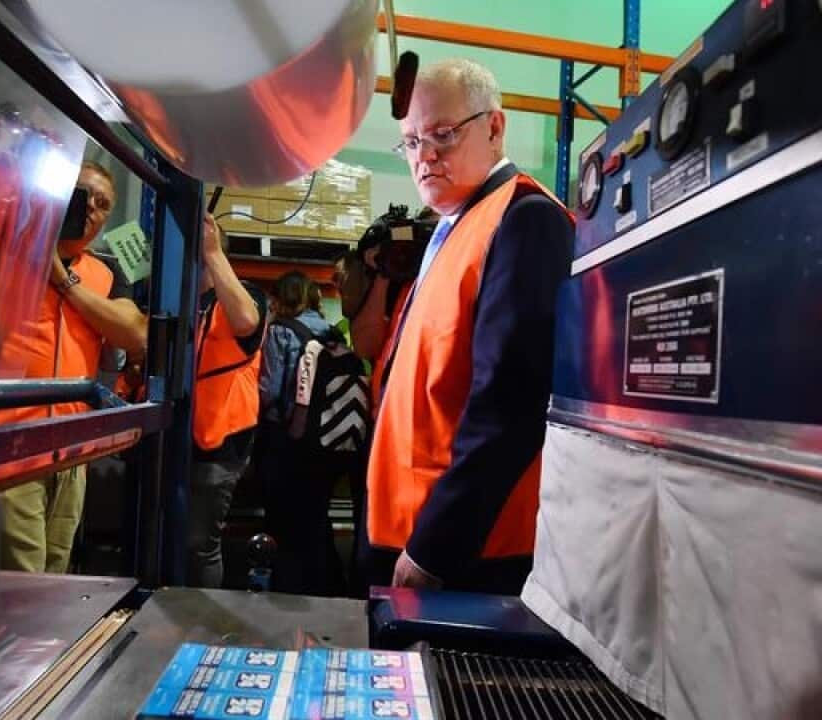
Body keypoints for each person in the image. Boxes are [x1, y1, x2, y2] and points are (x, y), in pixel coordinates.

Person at [365, 58, 574, 593]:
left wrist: (435, 548)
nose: (425, 155)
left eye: (442, 134)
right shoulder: (454, 231)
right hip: (413, 532)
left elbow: (511, 402)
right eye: (410, 142)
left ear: (494, 127)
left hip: (470, 555)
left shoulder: (525, 219)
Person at [0, 160, 147, 574]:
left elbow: (135, 333)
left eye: (103, 204)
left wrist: (62, 280)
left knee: (56, 571)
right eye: (84, 197)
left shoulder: (105, 271)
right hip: (13, 441)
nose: (93, 211)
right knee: (24, 577)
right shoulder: (5, 251)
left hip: (71, 447)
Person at [187, 214, 267, 588]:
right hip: (174, 437)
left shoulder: (245, 296)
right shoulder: (178, 296)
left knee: (200, 544)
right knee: (171, 537)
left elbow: (247, 321)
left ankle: (197, 623)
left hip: (219, 444)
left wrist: (213, 251)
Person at [257, 271, 345, 595]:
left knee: (281, 514)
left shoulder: (279, 332)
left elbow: (268, 390)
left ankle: (285, 582)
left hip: (285, 439)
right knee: (316, 513)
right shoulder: (334, 333)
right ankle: (326, 581)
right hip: (327, 437)